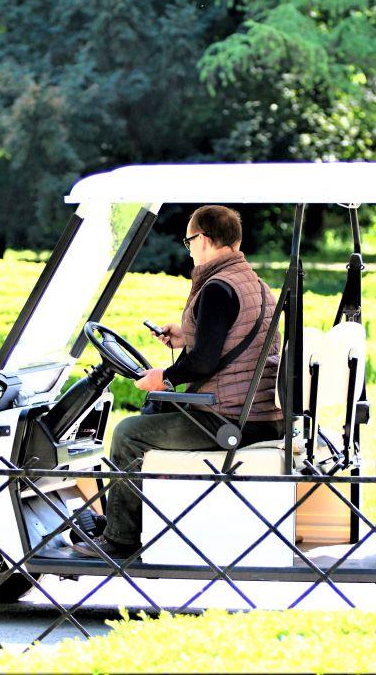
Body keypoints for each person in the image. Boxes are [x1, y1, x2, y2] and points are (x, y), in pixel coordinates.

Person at [68, 205, 284, 558]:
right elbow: (233, 337)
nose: (189, 248)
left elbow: (204, 363)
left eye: (189, 240)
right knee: (155, 410)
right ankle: (124, 519)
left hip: (231, 419)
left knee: (128, 433)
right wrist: (186, 335)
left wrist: (163, 377)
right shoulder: (252, 282)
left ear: (206, 240)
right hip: (258, 412)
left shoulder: (217, 288)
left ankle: (119, 539)